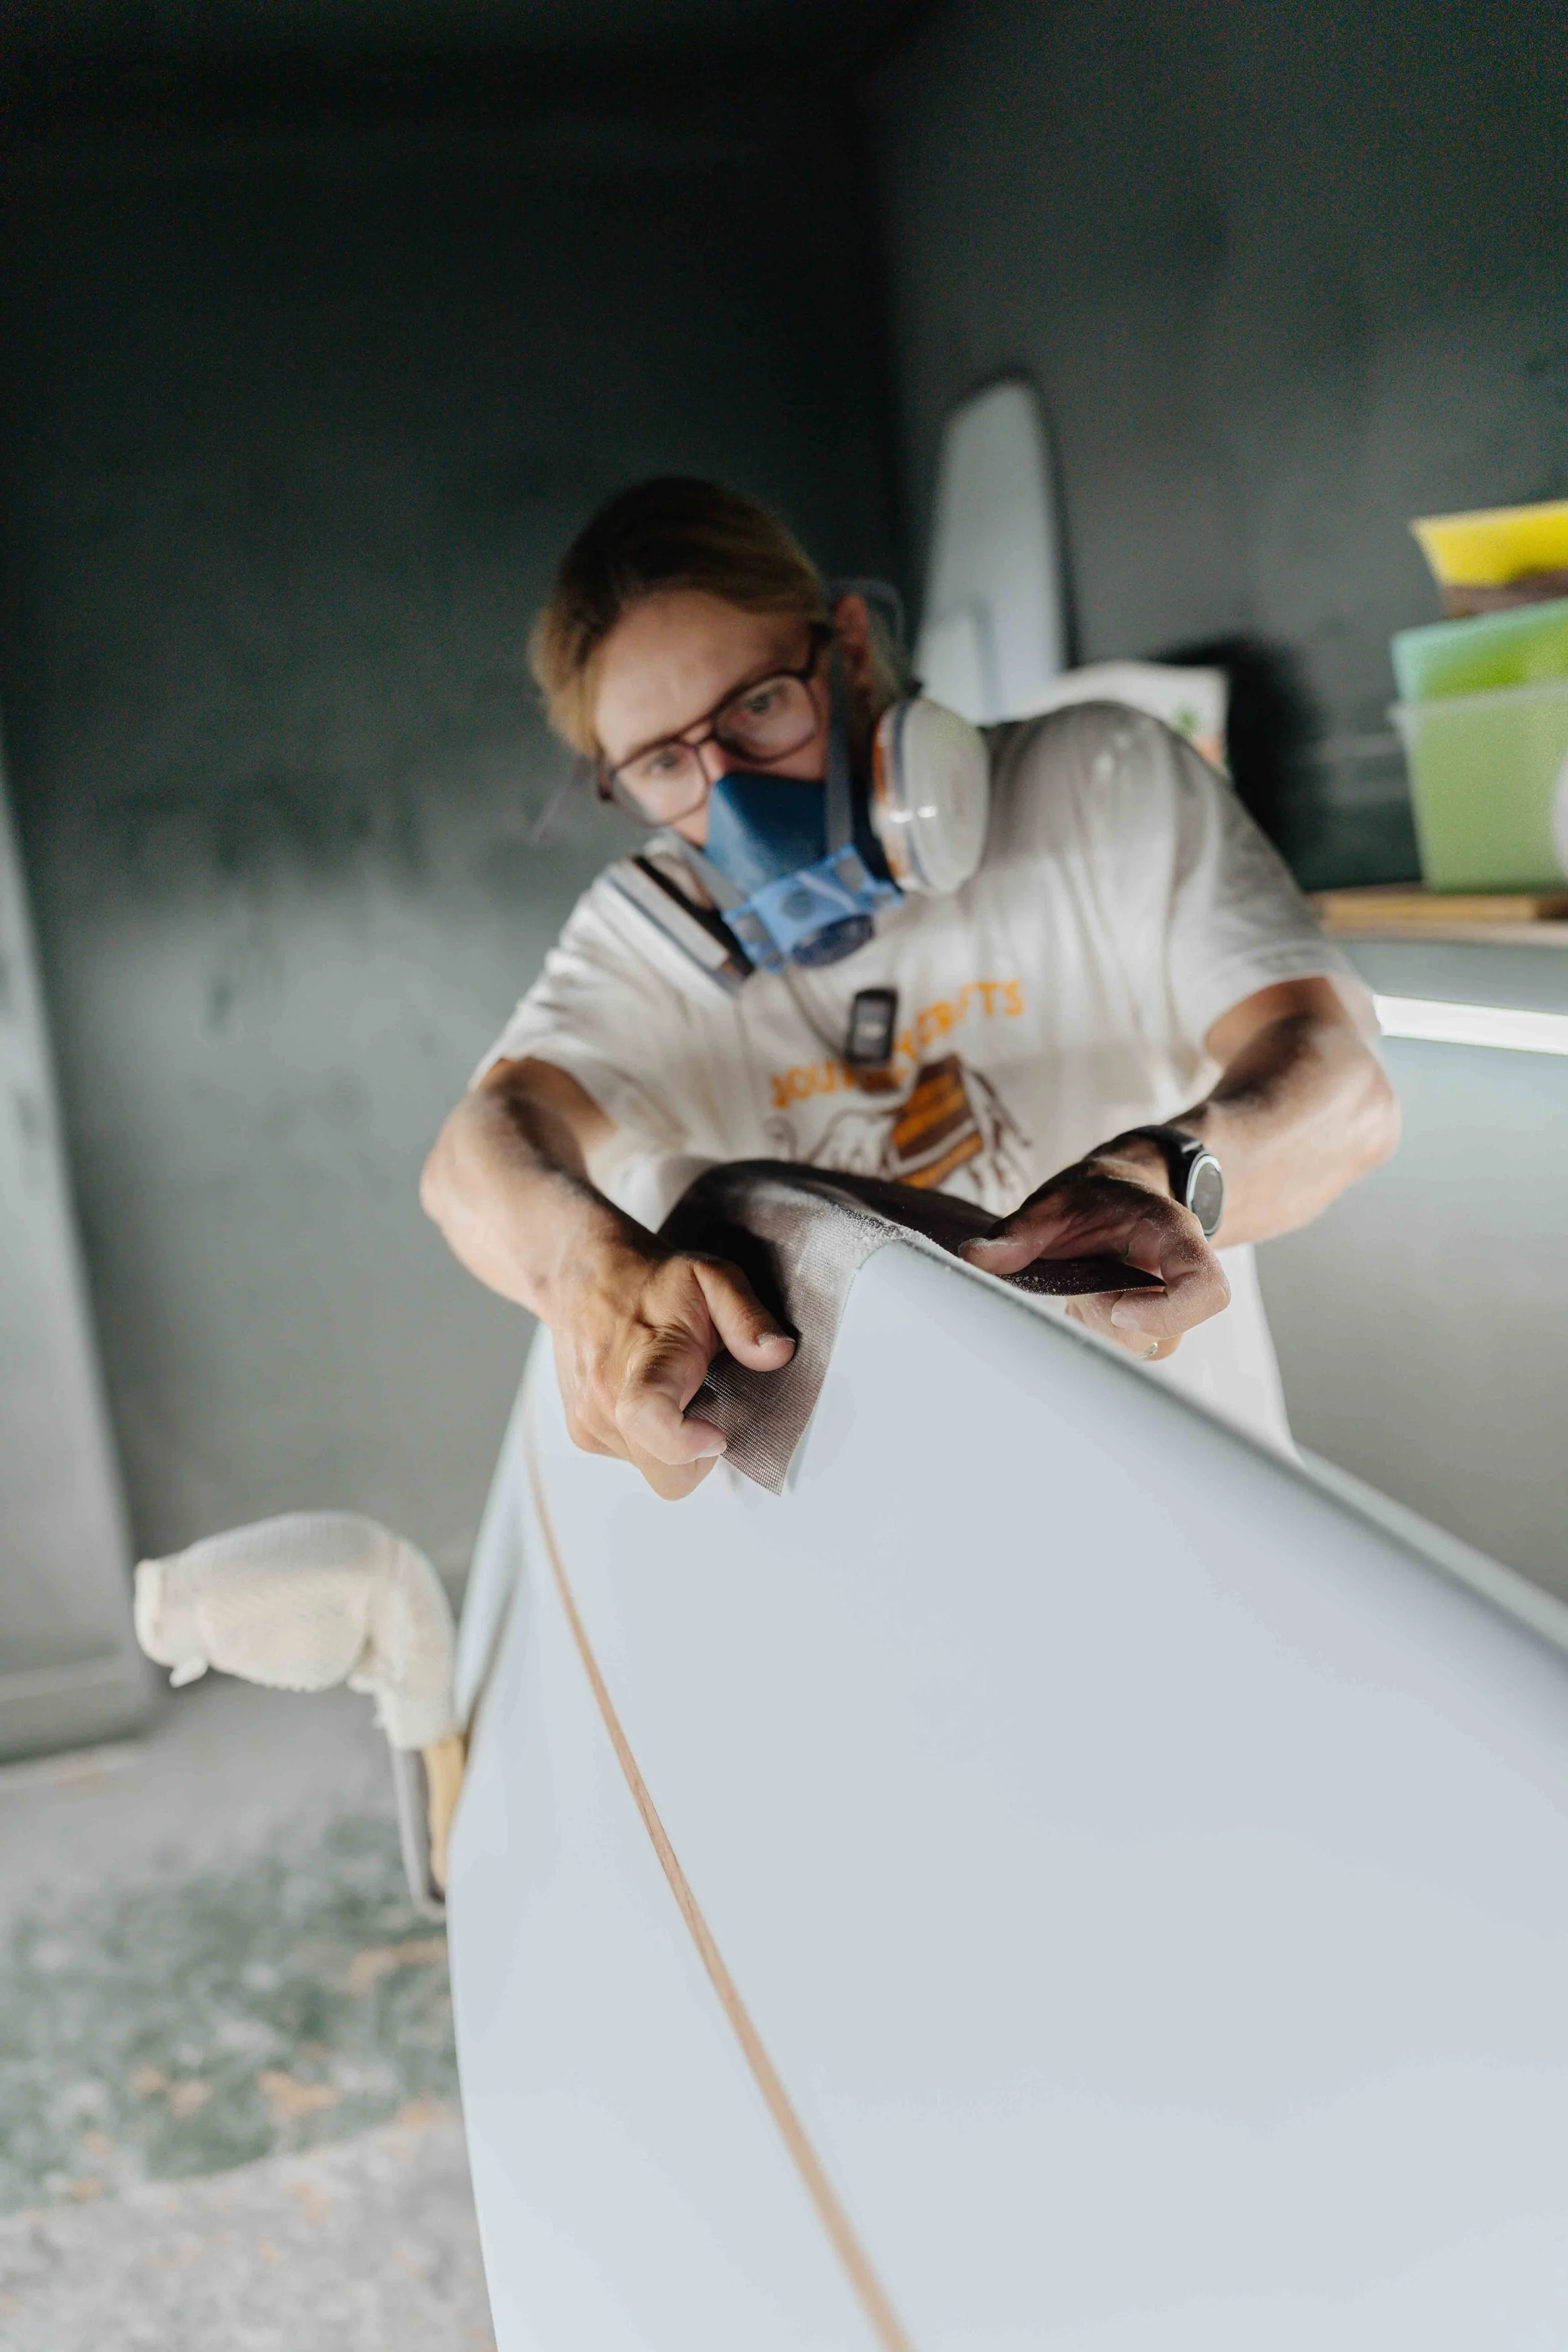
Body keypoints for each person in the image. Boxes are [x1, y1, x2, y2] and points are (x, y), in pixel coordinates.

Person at [421, 479, 1398, 1495]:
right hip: (883, 1535)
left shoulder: (1095, 784)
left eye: (758, 708)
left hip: (1190, 1493)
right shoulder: (649, 940)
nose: (736, 796)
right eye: (667, 764)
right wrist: (587, 1270)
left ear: (846, 649)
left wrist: (1174, 1172)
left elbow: (1345, 1084)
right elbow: (470, 1161)